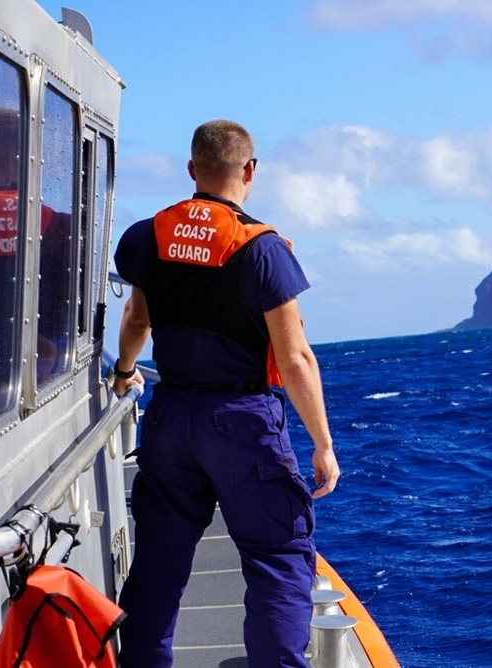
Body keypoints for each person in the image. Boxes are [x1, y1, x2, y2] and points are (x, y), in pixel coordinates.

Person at [111, 119, 340, 667]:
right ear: (250, 171)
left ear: (192, 170)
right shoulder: (262, 248)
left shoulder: (146, 236)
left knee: (159, 564)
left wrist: (123, 373)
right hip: (243, 421)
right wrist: (323, 444)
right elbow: (296, 357)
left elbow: (137, 318)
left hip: (169, 419)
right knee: (278, 557)